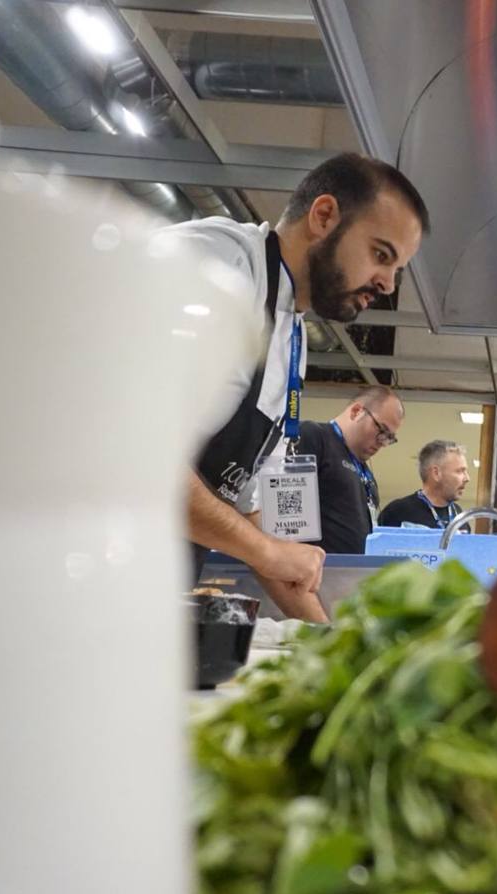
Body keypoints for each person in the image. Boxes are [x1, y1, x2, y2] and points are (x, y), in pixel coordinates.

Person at [167, 152, 430, 621]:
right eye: (381, 255)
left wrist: (329, 640)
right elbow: (135, 464)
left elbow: (251, 512)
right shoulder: (216, 266)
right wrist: (266, 552)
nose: (388, 284)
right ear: (324, 216)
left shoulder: (292, 340)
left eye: (397, 269)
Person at [295, 385, 404, 555]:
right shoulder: (313, 436)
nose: (382, 442)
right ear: (356, 411)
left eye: (389, 438)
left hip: (351, 574)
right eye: (381, 430)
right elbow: (289, 516)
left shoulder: (364, 472)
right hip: (315, 572)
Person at [378, 440, 472, 530]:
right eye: (460, 471)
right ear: (436, 473)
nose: (467, 478)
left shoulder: (459, 516)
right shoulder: (397, 512)